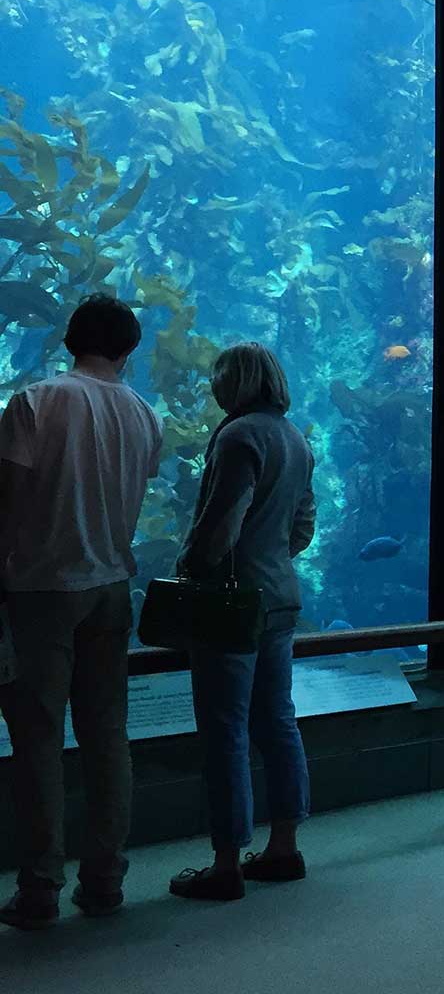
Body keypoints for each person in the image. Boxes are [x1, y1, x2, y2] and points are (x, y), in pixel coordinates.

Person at [0, 295, 162, 929]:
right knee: (107, 735)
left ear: (69, 340)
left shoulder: (35, 403)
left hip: (41, 588)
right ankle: (105, 878)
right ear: (128, 350)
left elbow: (6, 504)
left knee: (38, 739)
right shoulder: (145, 416)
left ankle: (40, 885)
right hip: (112, 587)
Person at [168, 343, 317, 902]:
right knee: (277, 721)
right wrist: (270, 555)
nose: (212, 387)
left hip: (233, 603)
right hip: (279, 597)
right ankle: (283, 847)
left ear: (235, 382)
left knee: (225, 731)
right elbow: (302, 527)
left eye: (217, 378)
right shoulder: (296, 438)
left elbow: (220, 526)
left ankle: (226, 861)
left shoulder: (238, 436)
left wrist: (191, 567)